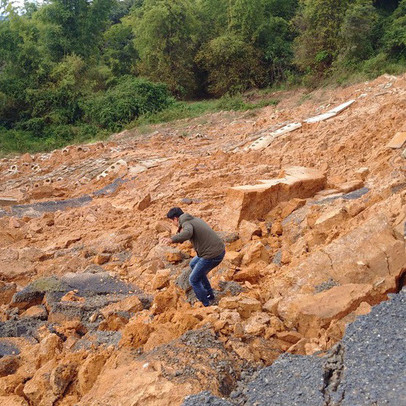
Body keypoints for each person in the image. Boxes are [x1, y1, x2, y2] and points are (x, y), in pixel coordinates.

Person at [161, 207, 225, 307]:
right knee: (193, 264)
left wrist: (172, 239)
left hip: (212, 255)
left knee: (193, 279)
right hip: (217, 250)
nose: (172, 224)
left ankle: (206, 304)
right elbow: (187, 232)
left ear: (175, 219)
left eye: (171, 221)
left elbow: (187, 233)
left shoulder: (186, 223)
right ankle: (209, 293)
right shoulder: (193, 219)